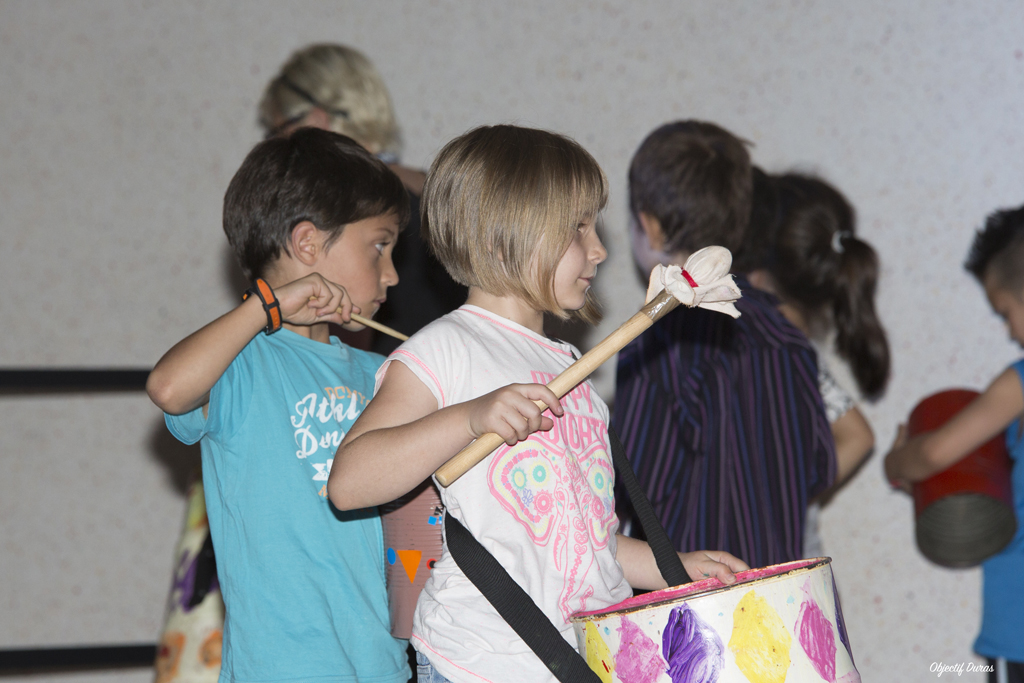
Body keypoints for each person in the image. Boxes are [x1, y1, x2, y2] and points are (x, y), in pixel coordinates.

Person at [327, 124, 747, 683]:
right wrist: (469, 417)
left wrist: (673, 567)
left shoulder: (571, 366)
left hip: (575, 658)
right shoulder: (446, 348)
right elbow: (350, 482)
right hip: (478, 663)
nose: (599, 249)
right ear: (501, 238)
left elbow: (583, 540)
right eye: (576, 228)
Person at [146, 128, 411, 683]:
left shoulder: (383, 375)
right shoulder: (240, 365)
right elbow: (169, 388)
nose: (391, 273)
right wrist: (266, 306)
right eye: (379, 245)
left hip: (380, 666)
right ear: (308, 244)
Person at [613, 120, 837, 570]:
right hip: (776, 594)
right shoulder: (787, 335)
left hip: (693, 598)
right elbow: (820, 467)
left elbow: (634, 483)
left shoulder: (656, 337)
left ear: (650, 227)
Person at [885, 203, 1024, 683]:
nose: (1009, 331)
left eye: (1006, 313)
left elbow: (933, 453)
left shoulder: (1019, 384)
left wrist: (897, 461)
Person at [258, 43, 466, 354]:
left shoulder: (348, 205)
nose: (278, 144)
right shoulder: (432, 187)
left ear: (317, 120)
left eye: (279, 130)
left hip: (390, 373)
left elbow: (340, 335)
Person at [739, 171, 889, 558]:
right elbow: (859, 437)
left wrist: (778, 500)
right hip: (793, 566)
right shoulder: (791, 351)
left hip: (759, 568)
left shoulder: (770, 349)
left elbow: (858, 437)